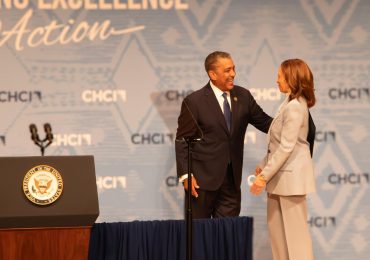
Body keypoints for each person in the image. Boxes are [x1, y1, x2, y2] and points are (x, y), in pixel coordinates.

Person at [175, 51, 272, 219]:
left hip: (231, 183)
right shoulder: (194, 101)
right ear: (212, 74)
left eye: (234, 69)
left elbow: (267, 124)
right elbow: (183, 140)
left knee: (227, 236)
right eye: (227, 70)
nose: (233, 74)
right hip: (201, 182)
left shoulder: (243, 97)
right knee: (200, 236)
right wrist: (186, 175)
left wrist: (293, 123)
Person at [250, 58, 316, 260]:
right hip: (279, 181)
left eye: (280, 76)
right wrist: (264, 165)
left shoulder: (296, 106)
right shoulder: (287, 104)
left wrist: (263, 177)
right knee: (278, 237)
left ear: (291, 78)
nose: (276, 80)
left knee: (297, 240)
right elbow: (278, 144)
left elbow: (288, 146)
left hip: (291, 181)